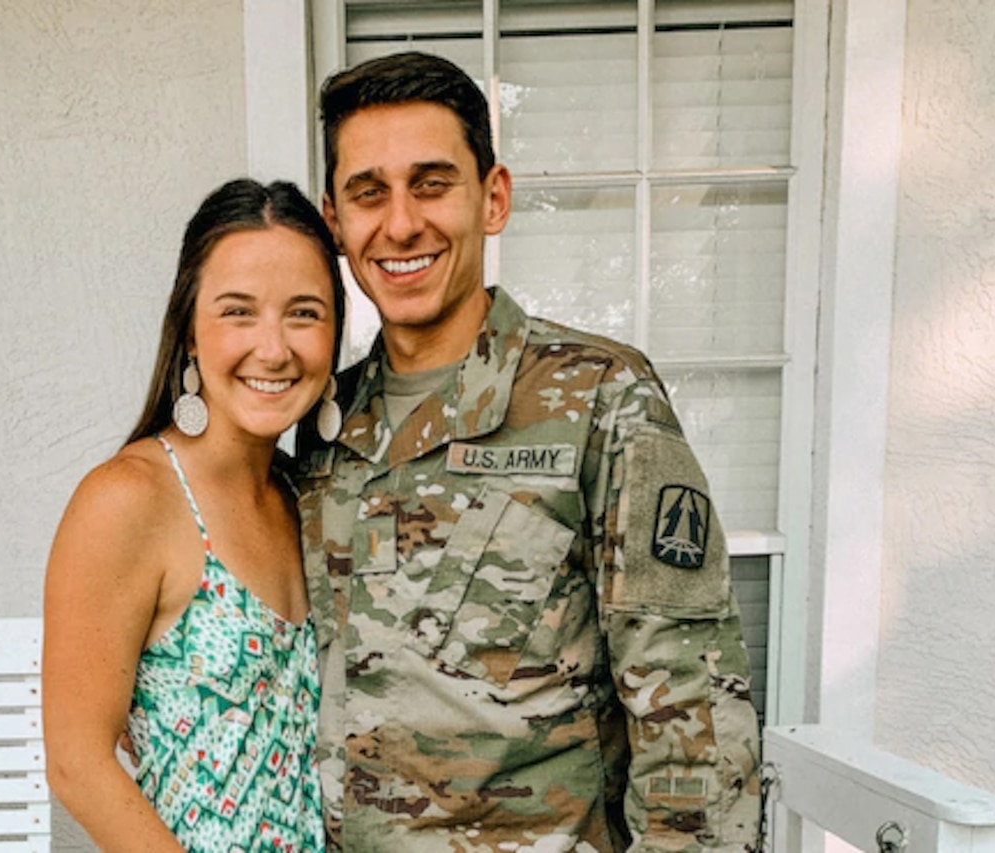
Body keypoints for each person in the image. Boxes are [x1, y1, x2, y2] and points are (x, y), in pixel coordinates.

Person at [292, 51, 762, 852]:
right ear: (335, 222)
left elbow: (692, 716)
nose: (401, 223)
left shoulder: (601, 399)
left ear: (494, 197)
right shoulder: (323, 422)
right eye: (369, 192)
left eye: (432, 183)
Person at [42, 177, 345, 853]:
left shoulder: (311, 499)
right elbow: (77, 762)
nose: (273, 348)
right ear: (189, 330)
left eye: (303, 313)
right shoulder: (130, 498)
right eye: (238, 311)